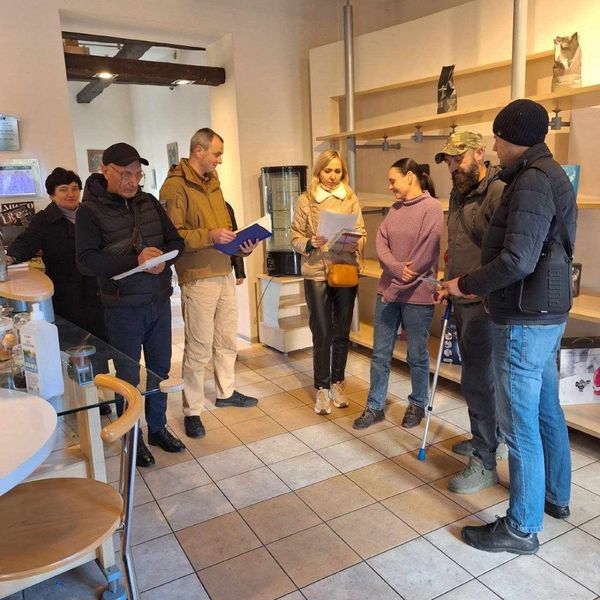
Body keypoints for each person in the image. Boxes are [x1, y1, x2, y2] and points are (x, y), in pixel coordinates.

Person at [441, 99, 577, 554]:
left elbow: (517, 259)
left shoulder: (532, 181)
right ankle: (554, 497)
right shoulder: (548, 174)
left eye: (498, 138)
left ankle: (520, 527)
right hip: (544, 314)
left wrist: (464, 284)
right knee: (546, 410)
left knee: (519, 428)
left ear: (514, 138)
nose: (494, 146)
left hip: (523, 318)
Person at [76, 142, 185, 467]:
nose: (132, 181)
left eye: (137, 174)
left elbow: (176, 241)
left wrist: (164, 259)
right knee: (127, 377)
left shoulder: (148, 202)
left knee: (160, 370)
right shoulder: (89, 211)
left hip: (158, 302)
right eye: (125, 174)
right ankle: (131, 436)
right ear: (105, 170)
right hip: (122, 308)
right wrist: (134, 260)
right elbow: (86, 261)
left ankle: (158, 428)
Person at [160, 128, 258, 440]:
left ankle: (226, 392)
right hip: (197, 275)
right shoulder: (174, 187)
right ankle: (192, 410)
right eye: (217, 154)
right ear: (198, 150)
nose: (220, 160)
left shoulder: (213, 182)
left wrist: (241, 245)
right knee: (199, 347)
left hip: (223, 270)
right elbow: (172, 236)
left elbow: (224, 229)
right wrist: (211, 235)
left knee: (227, 339)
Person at [433, 132, 506, 494]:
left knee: (478, 382)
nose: (452, 167)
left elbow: (503, 255)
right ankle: (488, 439)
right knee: (479, 380)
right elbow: (459, 247)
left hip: (483, 303)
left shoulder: (497, 191)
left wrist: (475, 289)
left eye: (458, 158)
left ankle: (485, 460)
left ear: (480, 153)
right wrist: (448, 283)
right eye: (448, 161)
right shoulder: (458, 193)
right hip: (460, 297)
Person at [7, 167, 112, 415]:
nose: (70, 194)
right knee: (72, 348)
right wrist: (10, 258)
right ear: (52, 194)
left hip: (97, 290)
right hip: (66, 293)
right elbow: (26, 241)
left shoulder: (91, 214)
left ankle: (99, 395)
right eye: (63, 189)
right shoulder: (44, 220)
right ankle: (79, 398)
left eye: (75, 188)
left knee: (98, 345)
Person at [353, 159, 443, 430]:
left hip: (417, 296)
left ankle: (417, 403)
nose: (390, 186)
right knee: (380, 354)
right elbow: (380, 243)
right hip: (389, 292)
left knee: (417, 355)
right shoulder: (394, 210)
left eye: (393, 181)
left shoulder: (432, 208)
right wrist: (394, 269)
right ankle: (375, 406)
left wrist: (396, 284)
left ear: (410, 176)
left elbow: (426, 254)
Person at [291, 150, 366, 415]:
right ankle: (322, 388)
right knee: (322, 331)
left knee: (341, 331)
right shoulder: (306, 199)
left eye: (337, 171)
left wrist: (355, 241)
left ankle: (337, 383)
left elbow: (362, 232)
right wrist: (309, 242)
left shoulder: (350, 197)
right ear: (318, 172)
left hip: (344, 268)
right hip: (316, 271)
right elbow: (295, 237)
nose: (332, 176)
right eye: (327, 171)